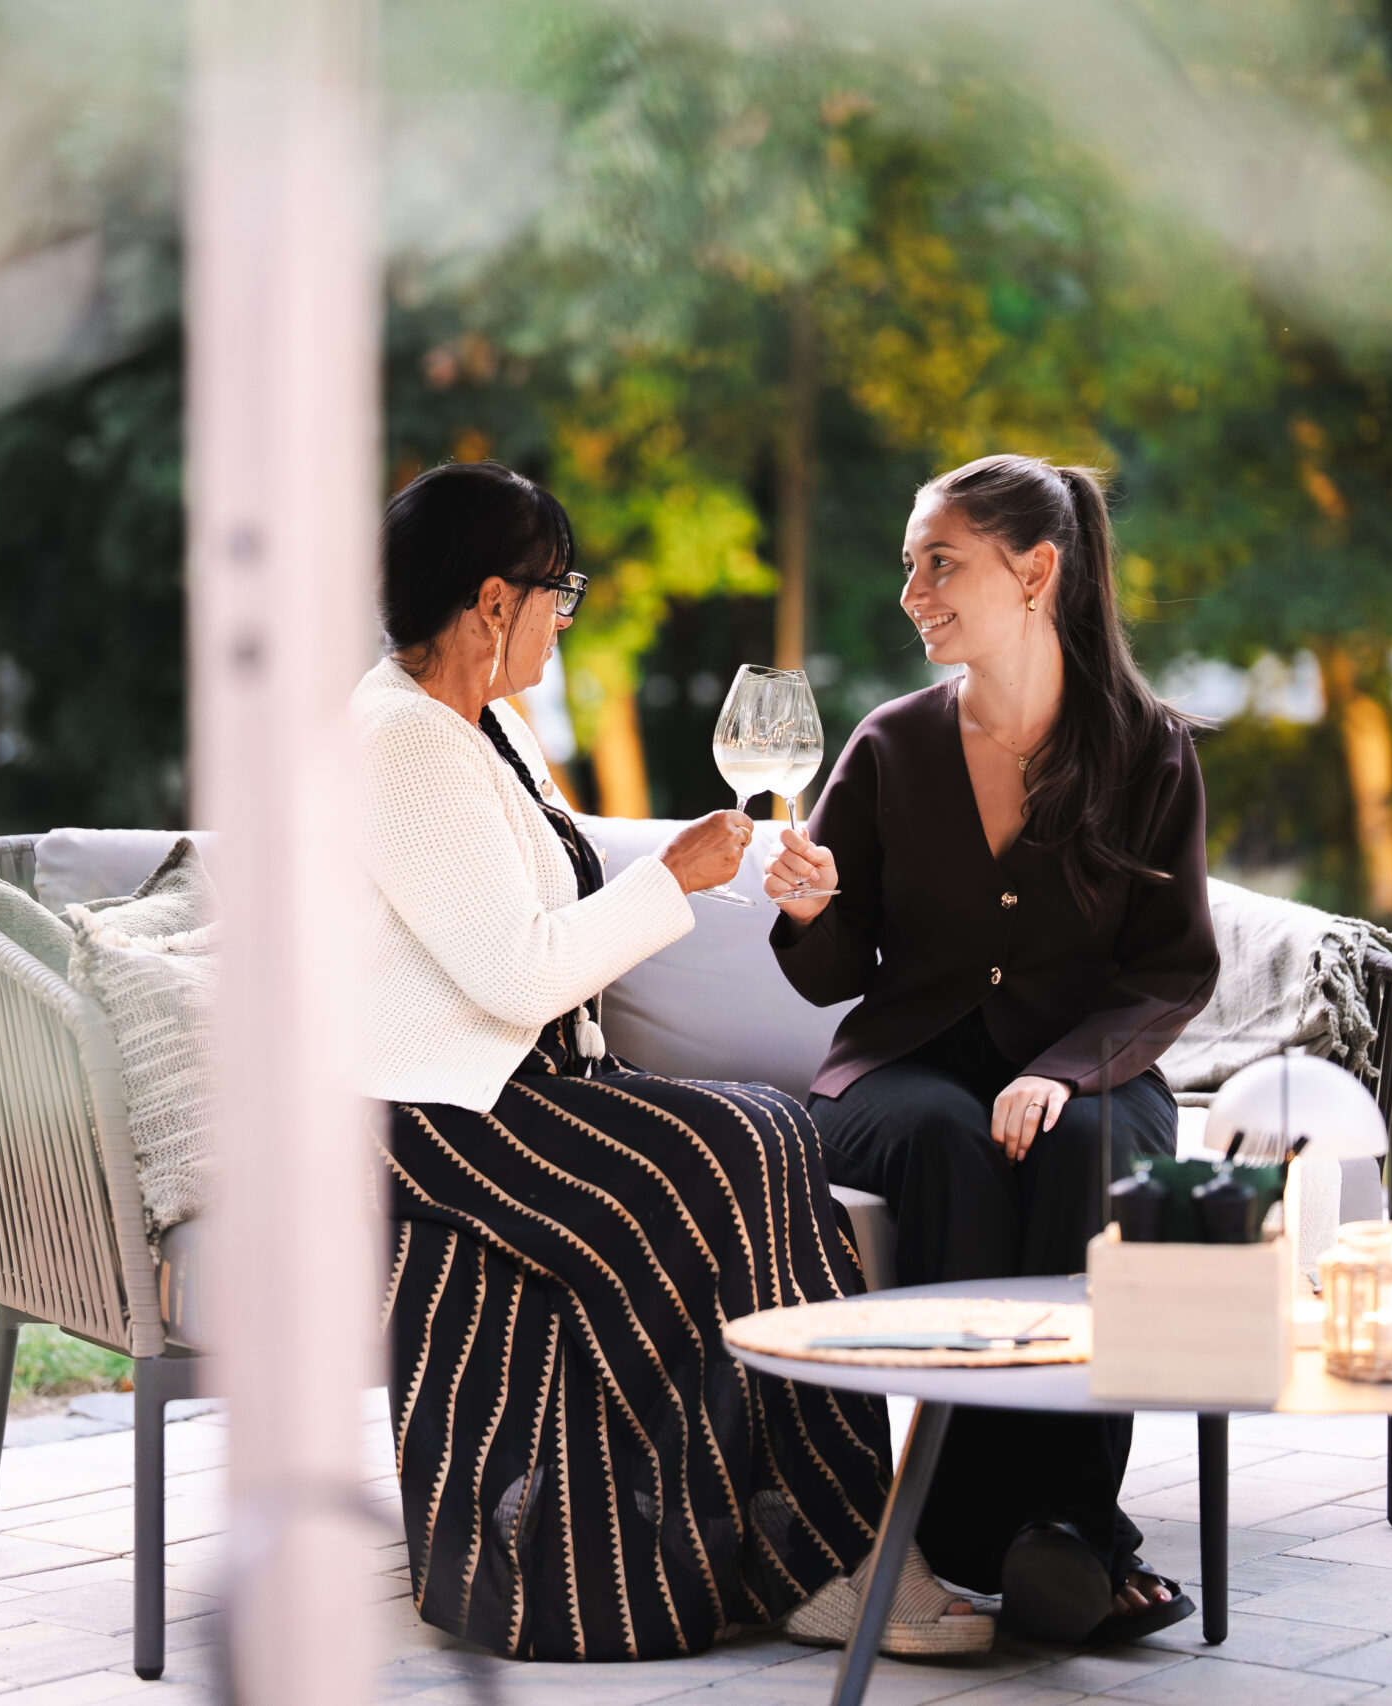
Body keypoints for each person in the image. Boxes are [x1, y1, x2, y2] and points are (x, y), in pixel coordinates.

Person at [360, 461, 990, 1662]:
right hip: (437, 1110)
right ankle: (835, 1552)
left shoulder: (484, 725)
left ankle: (826, 1542)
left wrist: (692, 872)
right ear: (491, 600)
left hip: (523, 1086)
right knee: (741, 1140)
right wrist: (674, 879)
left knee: (770, 1128)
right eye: (558, 592)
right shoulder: (400, 740)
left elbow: (534, 925)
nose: (564, 616)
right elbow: (517, 973)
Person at [764, 453, 1219, 1647]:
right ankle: (984, 1535)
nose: (910, 591)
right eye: (908, 564)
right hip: (898, 1071)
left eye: (939, 562)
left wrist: (1060, 1071)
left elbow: (1172, 968)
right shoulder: (891, 744)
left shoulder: (1148, 751)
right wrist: (811, 910)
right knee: (943, 1138)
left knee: (1089, 1148)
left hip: (1092, 1064)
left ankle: (1064, 1526)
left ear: (1034, 570)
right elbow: (835, 973)